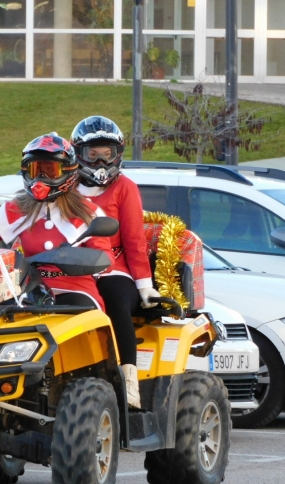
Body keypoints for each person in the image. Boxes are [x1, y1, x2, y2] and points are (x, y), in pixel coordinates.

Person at [0, 132, 113, 310]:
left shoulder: (87, 212)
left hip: (75, 290)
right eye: (36, 170)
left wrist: (77, 260)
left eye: (50, 171)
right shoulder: (16, 208)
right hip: (27, 290)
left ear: (67, 172)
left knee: (80, 315)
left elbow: (106, 260)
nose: (41, 178)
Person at [71, 116, 160, 409]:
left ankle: (129, 381)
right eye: (91, 154)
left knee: (116, 301)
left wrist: (144, 285)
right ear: (78, 154)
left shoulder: (125, 188)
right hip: (70, 267)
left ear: (117, 154)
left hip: (114, 268)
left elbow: (135, 240)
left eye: (106, 154)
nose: (99, 162)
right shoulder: (66, 188)